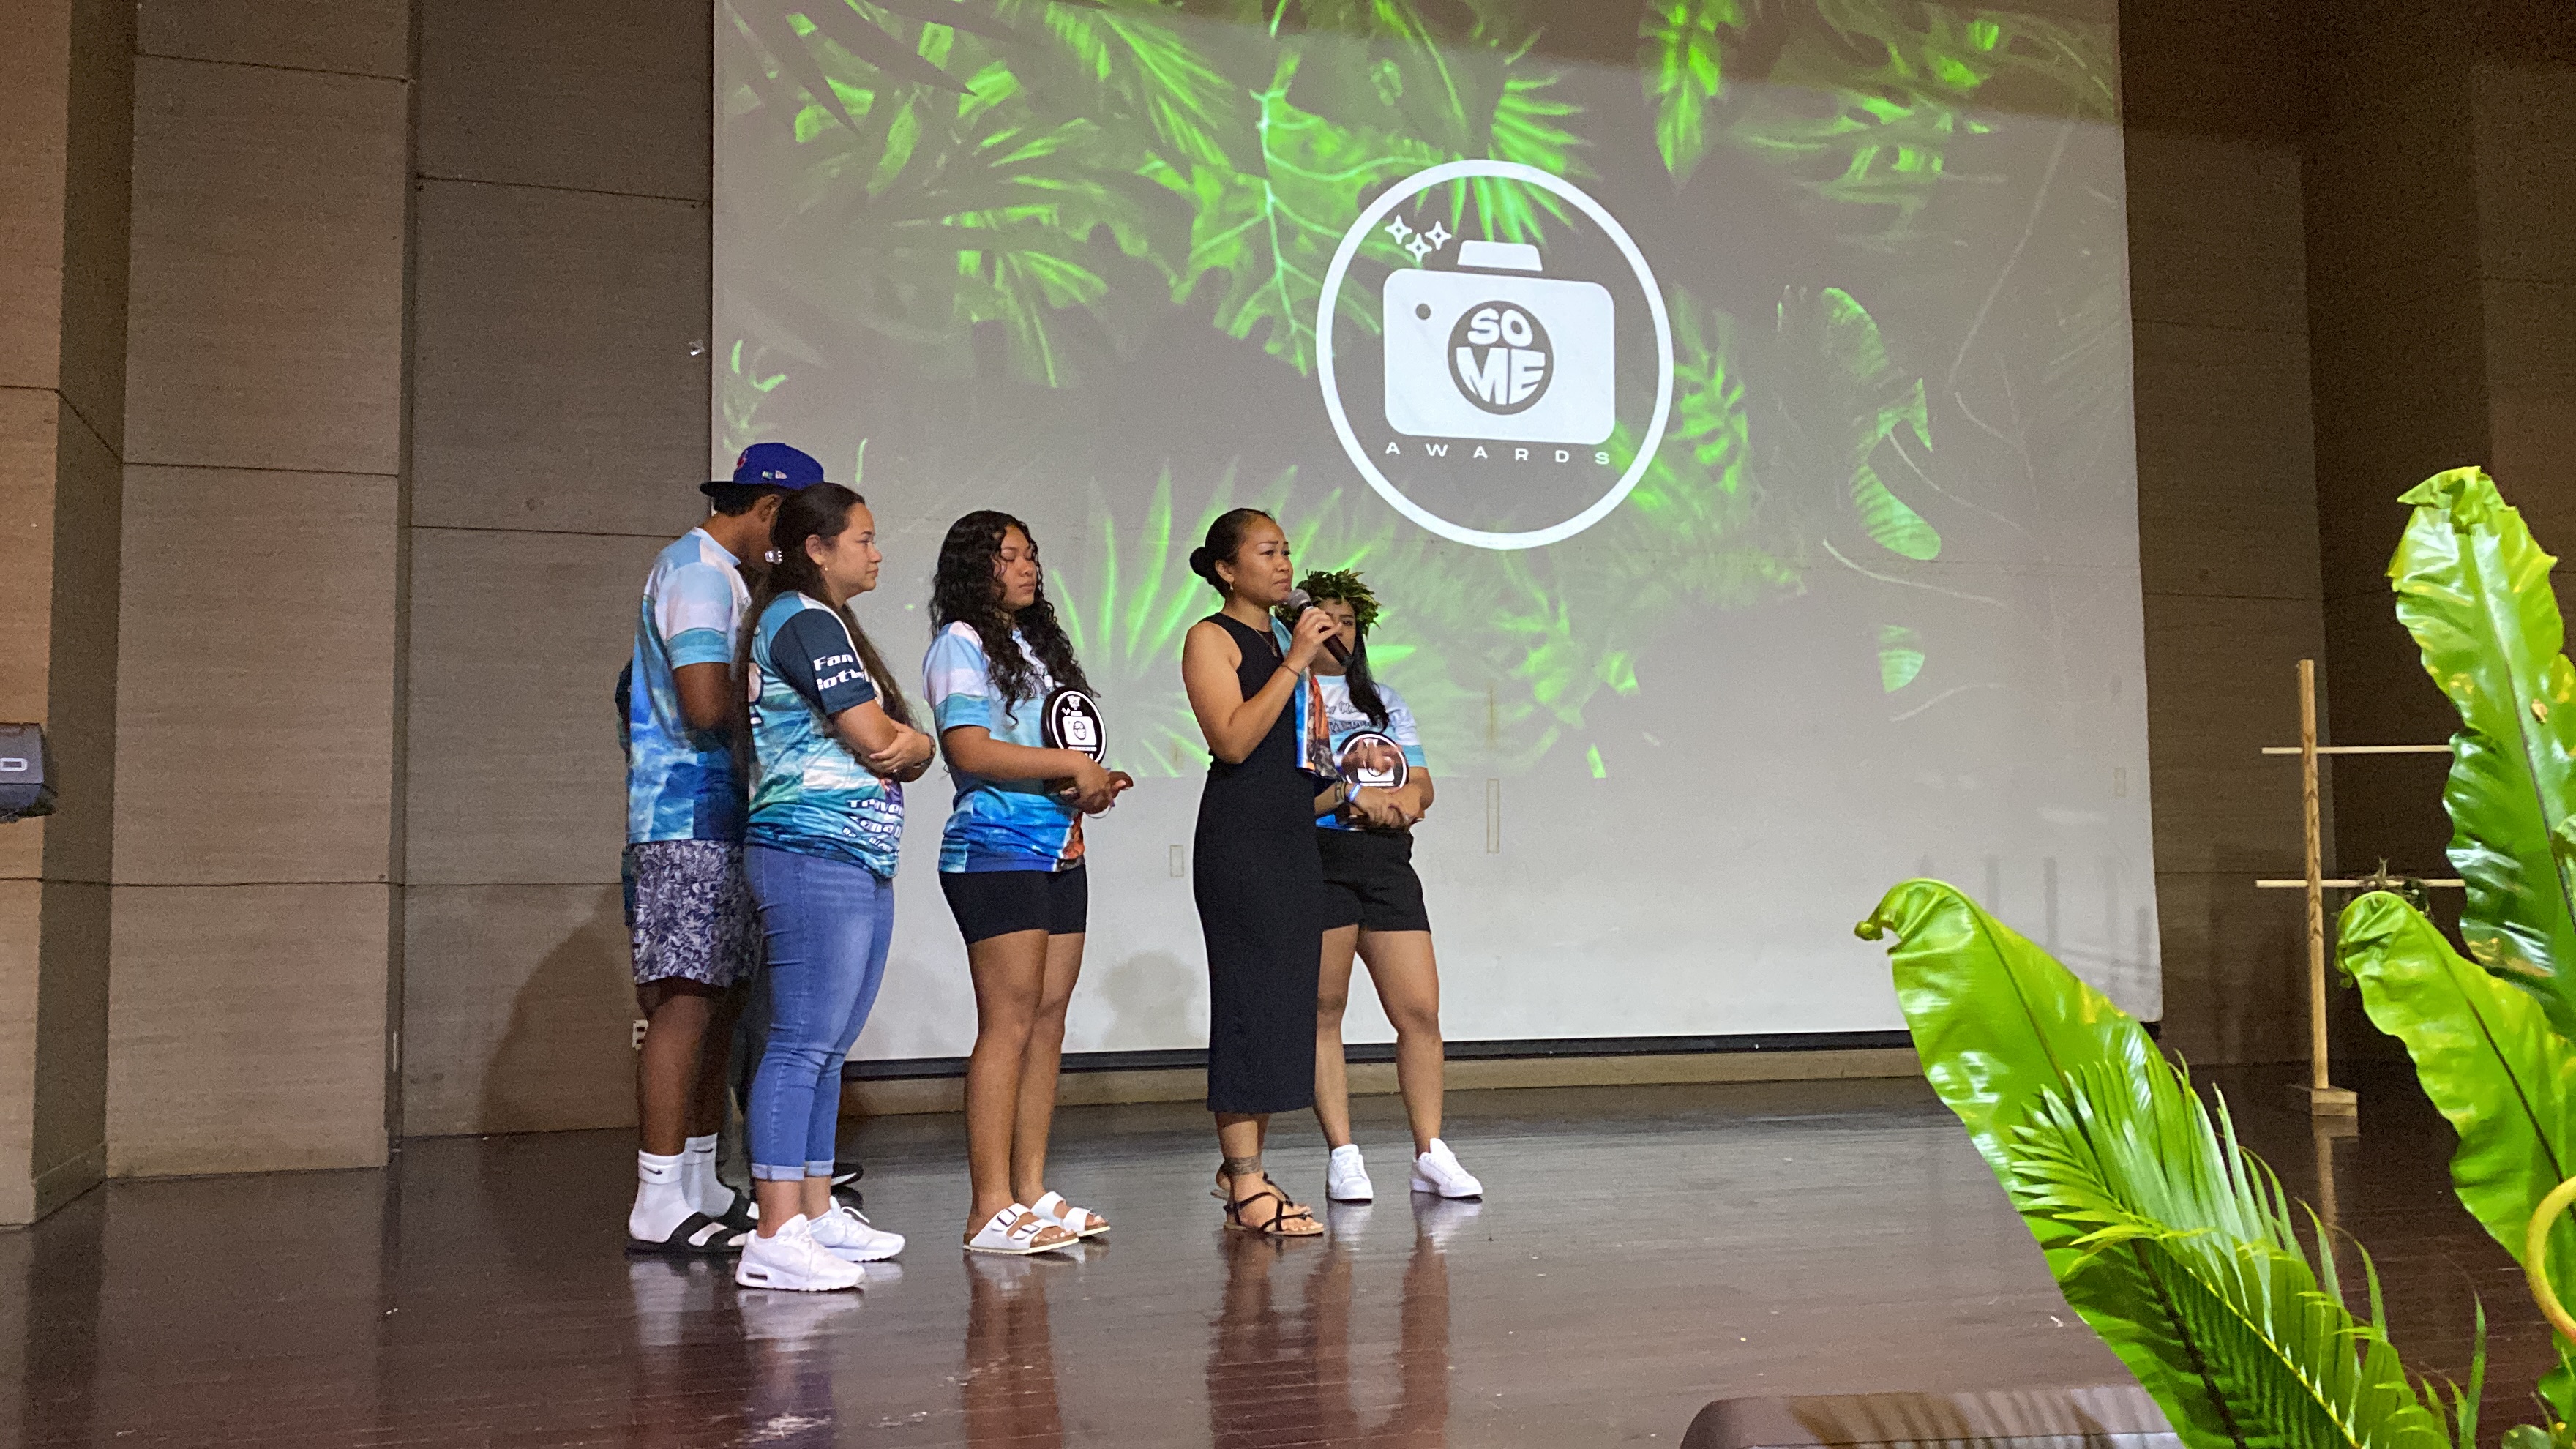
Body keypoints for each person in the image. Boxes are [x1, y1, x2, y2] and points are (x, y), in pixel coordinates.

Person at [733, 482, 938, 1292]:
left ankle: (814, 1210)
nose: (877, 551)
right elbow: (873, 737)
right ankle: (776, 1229)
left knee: (828, 1043)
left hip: (854, 853)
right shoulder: (804, 620)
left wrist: (910, 744)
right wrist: (908, 741)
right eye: (863, 538)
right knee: (800, 1041)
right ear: (817, 548)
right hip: (808, 848)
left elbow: (906, 750)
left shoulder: (824, 622)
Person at [621, 443, 818, 1256]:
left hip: (724, 817)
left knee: (722, 1005)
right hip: (684, 820)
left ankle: (700, 1177)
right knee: (685, 1005)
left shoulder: (728, 579)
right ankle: (658, 1195)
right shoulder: (699, 574)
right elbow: (704, 704)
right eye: (794, 526)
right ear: (768, 511)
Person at [925, 512, 1136, 1255]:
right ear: (973, 569)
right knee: (1007, 1024)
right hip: (994, 851)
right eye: (1007, 557)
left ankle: (1031, 1191)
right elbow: (971, 750)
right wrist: (1065, 770)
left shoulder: (1031, 649)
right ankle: (988, 1208)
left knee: (1048, 1021)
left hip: (1057, 850)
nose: (1026, 568)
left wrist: (1092, 784)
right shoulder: (960, 643)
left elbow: (1055, 749)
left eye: (1030, 555)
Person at [1291, 571, 1483, 1203]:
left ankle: (1430, 1151)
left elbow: (1422, 785)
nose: (1337, 632)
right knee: (1324, 1009)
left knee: (1419, 1011)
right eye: (1325, 619)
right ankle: (1342, 1153)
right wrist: (1349, 796)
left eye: (1348, 622)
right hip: (1318, 858)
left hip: (1386, 860)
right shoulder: (1287, 697)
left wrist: (1401, 803)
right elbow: (1285, 800)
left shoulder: (1384, 701)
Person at [1179, 508, 1344, 1239]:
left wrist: (1360, 787)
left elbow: (1299, 752)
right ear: (1225, 569)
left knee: (1284, 1005)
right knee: (1248, 1001)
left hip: (1291, 836)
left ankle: (1241, 1165)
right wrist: (1292, 664)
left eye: (1287, 551)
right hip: (1240, 839)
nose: (1284, 565)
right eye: (1267, 552)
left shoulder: (1284, 637)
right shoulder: (1210, 639)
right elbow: (1235, 739)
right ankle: (1245, 1181)